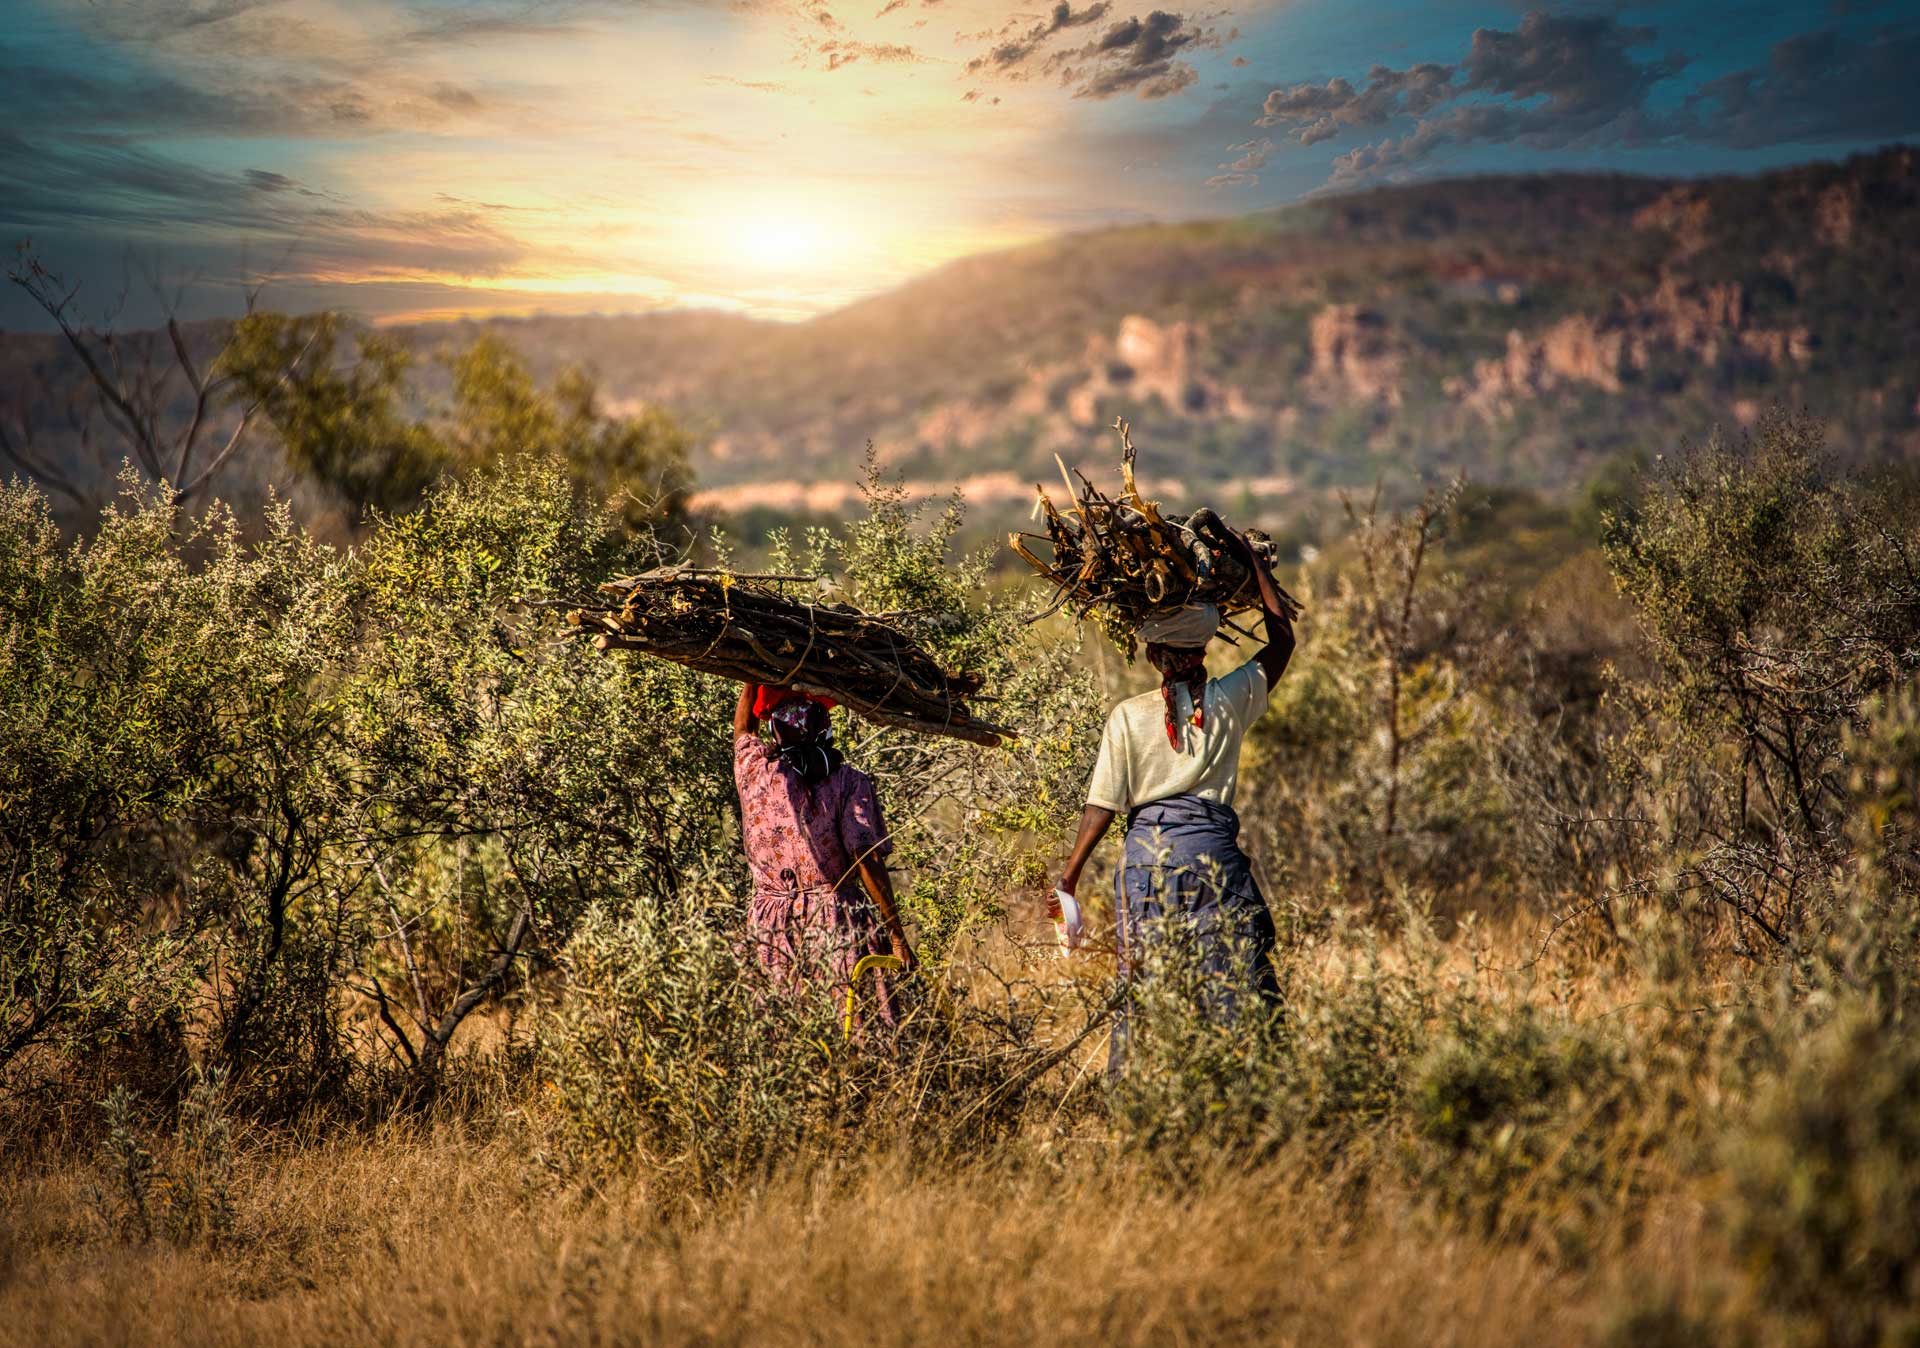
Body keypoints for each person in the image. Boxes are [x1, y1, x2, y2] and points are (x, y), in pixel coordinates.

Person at [1054, 536, 1295, 1071]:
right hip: (1214, 863)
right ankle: (1254, 1090)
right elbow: (1281, 640)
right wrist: (1255, 566)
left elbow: (1102, 807)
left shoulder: (1128, 715)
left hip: (1144, 868)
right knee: (1238, 981)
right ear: (1201, 652)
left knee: (1143, 990)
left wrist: (1069, 877)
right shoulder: (1232, 698)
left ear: (1153, 656)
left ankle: (1138, 1095)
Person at [732, 683, 916, 1021]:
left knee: (781, 1036)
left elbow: (743, 729)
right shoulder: (849, 782)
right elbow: (865, 857)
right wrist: (896, 935)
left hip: (770, 929)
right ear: (823, 726)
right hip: (837, 922)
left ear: (775, 728)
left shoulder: (753, 772)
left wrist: (752, 677)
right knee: (857, 1031)